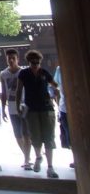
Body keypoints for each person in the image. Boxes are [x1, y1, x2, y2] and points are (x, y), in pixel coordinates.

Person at [15, 49, 60, 179]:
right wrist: (18, 106)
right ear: (29, 62)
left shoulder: (44, 72)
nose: (35, 64)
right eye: (33, 62)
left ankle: (50, 167)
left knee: (49, 137)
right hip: (31, 109)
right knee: (35, 136)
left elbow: (55, 84)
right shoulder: (23, 73)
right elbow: (19, 90)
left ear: (40, 61)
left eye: (37, 62)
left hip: (46, 108)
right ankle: (38, 157)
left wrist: (55, 91)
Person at [0, 49, 32, 170]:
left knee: (26, 134)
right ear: (6, 59)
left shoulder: (23, 72)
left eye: (13, 58)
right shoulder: (3, 74)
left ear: (18, 59)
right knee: (17, 135)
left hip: (24, 106)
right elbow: (3, 92)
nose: (11, 60)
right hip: (12, 106)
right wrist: (3, 109)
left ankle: (27, 160)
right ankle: (27, 157)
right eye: (9, 58)